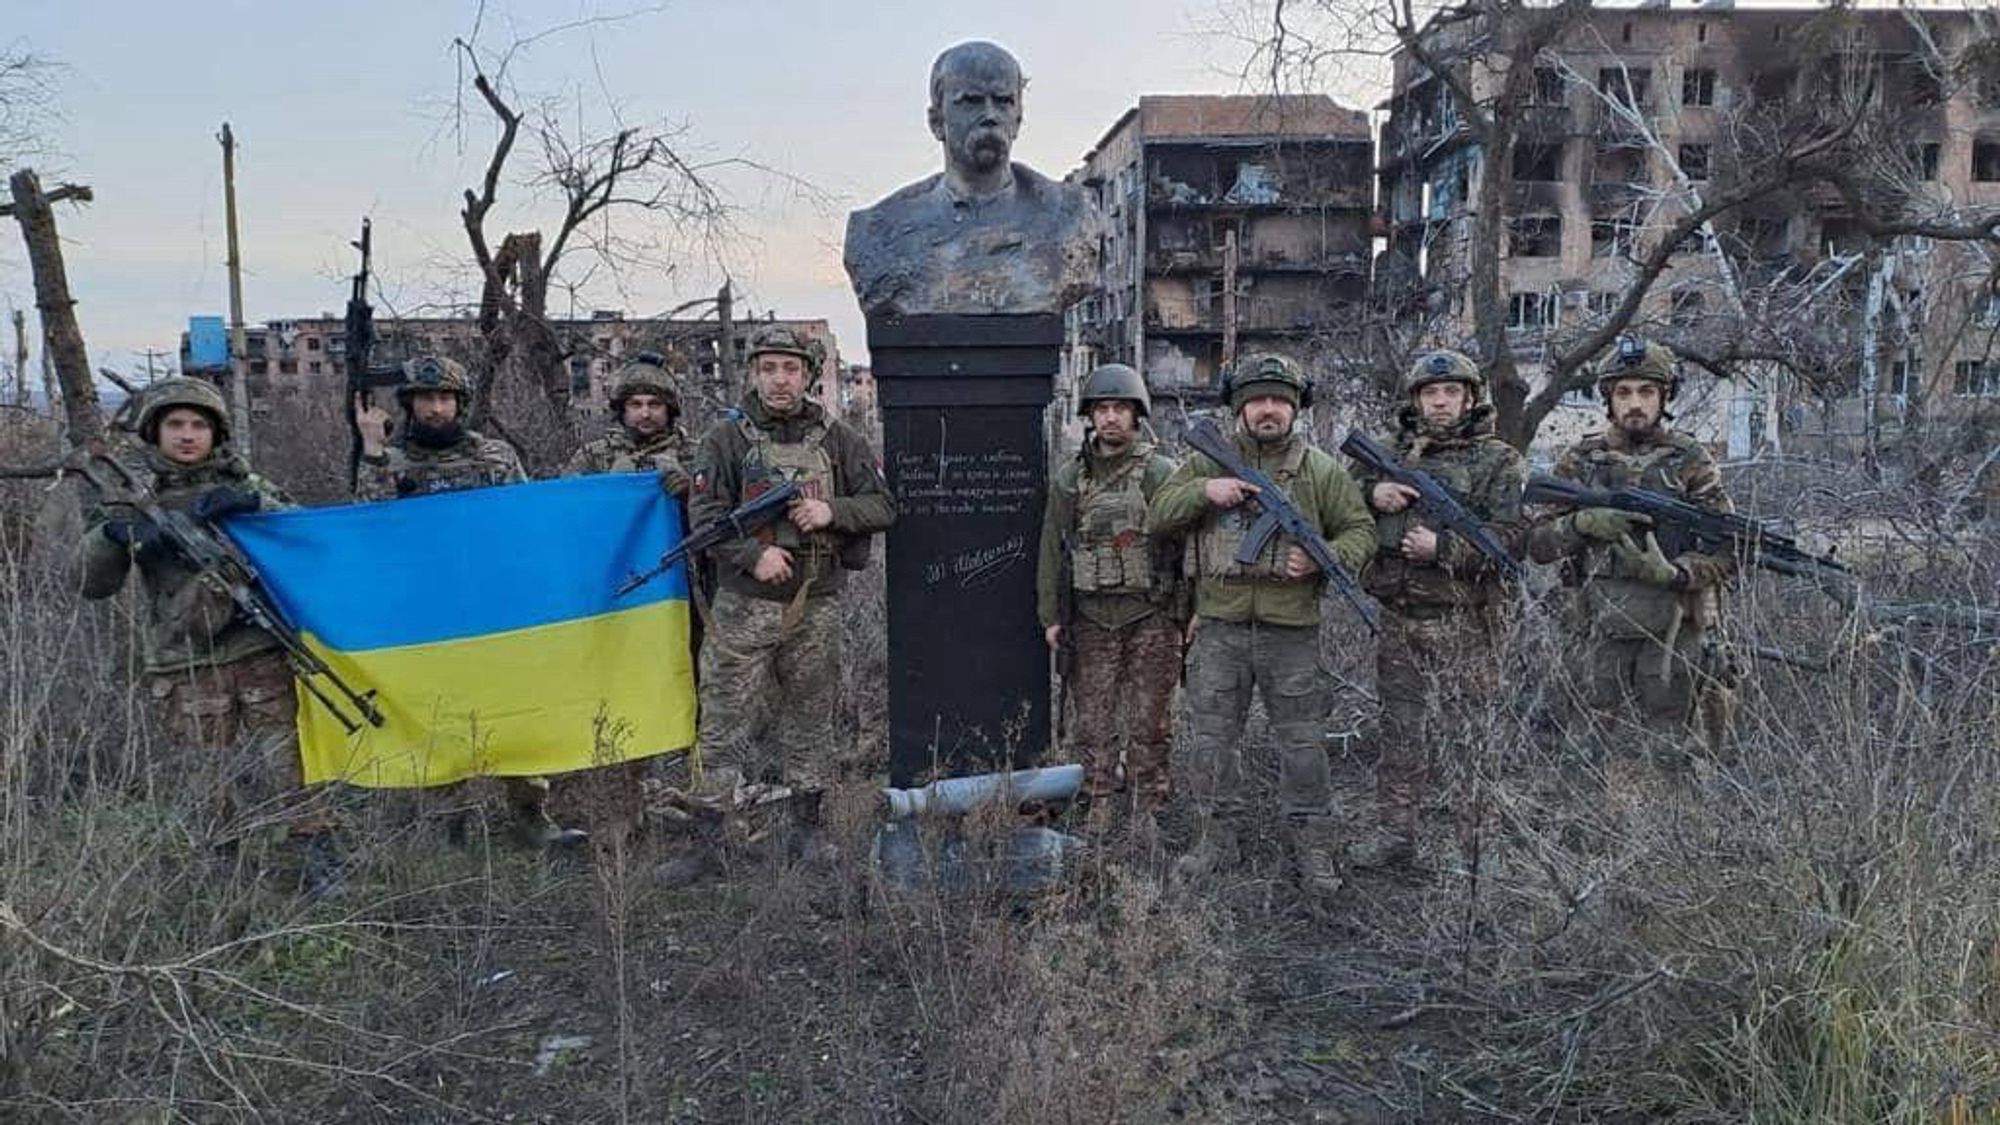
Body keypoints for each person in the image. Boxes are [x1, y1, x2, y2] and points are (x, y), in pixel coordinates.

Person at [76, 378, 339, 893]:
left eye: (199, 425)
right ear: (156, 432)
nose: (188, 435)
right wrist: (112, 537)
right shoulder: (130, 497)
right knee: (208, 778)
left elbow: (309, 540)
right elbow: (92, 585)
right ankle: (223, 871)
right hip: (186, 662)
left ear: (215, 432)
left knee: (292, 765)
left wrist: (250, 506)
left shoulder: (244, 484)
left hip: (262, 649)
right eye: (175, 425)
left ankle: (314, 856)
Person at [657, 324, 896, 885]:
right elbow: (706, 518)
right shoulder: (726, 439)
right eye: (768, 368)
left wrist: (832, 512)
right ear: (754, 374)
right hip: (744, 604)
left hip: (816, 602)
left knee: (809, 718)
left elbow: (883, 504)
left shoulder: (839, 438)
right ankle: (708, 843)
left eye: (790, 368)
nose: (780, 379)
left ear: (809, 375)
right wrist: (750, 556)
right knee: (722, 721)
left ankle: (805, 836)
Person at [1146, 353, 1375, 897]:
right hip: (1221, 630)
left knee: (1303, 745)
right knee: (1212, 741)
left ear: (1294, 409)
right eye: (1257, 400)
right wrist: (1206, 492)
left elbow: (1360, 531)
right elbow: (1158, 514)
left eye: (1279, 400)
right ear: (1239, 408)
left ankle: (1312, 845)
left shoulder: (1319, 470)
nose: (1268, 410)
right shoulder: (1207, 462)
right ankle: (1216, 839)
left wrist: (1325, 557)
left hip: (1290, 633)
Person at [355, 355, 583, 847]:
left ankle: (530, 814)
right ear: (409, 405)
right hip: (426, 617)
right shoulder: (388, 463)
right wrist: (372, 448)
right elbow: (367, 530)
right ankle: (446, 820)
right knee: (436, 716)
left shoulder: (495, 457)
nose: (436, 409)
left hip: (495, 609)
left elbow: (525, 525)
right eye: (425, 399)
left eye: (445, 399)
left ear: (460, 403)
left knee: (514, 709)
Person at [1346, 350, 1526, 869]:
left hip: (1465, 623)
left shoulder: (1499, 461)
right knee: (1400, 734)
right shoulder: (1389, 454)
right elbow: (1336, 501)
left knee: (1466, 737)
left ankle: (1473, 850)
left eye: (1451, 392)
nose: (1441, 402)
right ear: (1416, 400)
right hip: (1400, 618)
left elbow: (1513, 539)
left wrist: (1443, 550)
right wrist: (1373, 492)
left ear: (1470, 398)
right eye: (1431, 393)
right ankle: (1395, 835)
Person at [1525, 337, 1735, 760]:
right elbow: (1538, 543)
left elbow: (1727, 549)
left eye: (1646, 391)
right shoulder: (1580, 461)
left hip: (1675, 629)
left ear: (1664, 396)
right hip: (1596, 625)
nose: (1635, 403)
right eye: (1623, 392)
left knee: (1673, 751)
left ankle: (1667, 825)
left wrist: (1677, 574)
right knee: (1585, 752)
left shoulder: (1690, 460)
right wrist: (1582, 523)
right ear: (1608, 398)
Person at [1035, 363, 1187, 839]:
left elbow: (1187, 547)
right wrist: (1050, 616)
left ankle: (1147, 806)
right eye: (1102, 409)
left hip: (1152, 615)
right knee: (1094, 721)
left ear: (1137, 415)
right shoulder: (1070, 478)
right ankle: (1099, 796)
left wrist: (1190, 612)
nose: (1111, 418)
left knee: (1151, 719)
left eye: (1121, 408)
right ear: (1090, 416)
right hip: (1092, 616)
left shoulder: (1161, 473)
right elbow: (1051, 546)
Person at [843, 40, 1098, 317]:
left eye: (1003, 101)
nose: (990, 115)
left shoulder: (1069, 216)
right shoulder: (879, 231)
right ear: (937, 121)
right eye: (971, 101)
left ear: (1018, 121)